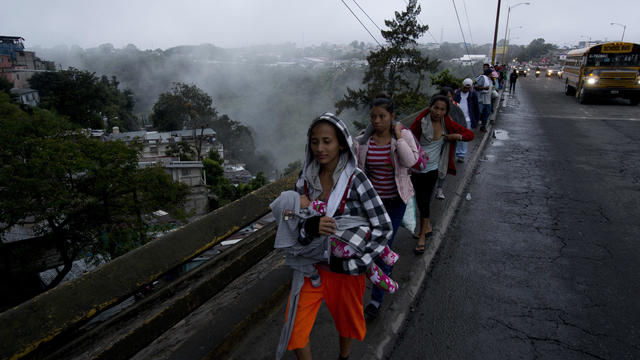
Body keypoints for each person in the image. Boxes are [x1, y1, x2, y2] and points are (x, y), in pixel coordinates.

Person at [282, 113, 393, 360]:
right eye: (314, 142)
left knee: (347, 323)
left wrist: (356, 263)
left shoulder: (356, 179)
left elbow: (383, 226)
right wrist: (310, 227)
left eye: (327, 141)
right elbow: (293, 226)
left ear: (341, 143)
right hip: (310, 268)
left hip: (345, 271)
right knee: (295, 328)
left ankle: (344, 357)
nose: (320, 148)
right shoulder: (306, 180)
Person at [354, 94, 419, 319]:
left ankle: (376, 299)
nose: (377, 121)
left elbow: (411, 162)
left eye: (382, 116)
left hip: (395, 203)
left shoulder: (404, 136)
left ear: (392, 116)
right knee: (368, 248)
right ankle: (383, 277)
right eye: (373, 117)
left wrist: (399, 137)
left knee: (383, 248)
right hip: (372, 206)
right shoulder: (364, 142)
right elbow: (354, 165)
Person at [408, 95, 474, 254]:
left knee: (424, 202)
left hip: (434, 169)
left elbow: (469, 135)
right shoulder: (421, 122)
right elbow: (408, 137)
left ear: (446, 111)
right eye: (435, 108)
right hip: (417, 169)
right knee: (420, 200)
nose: (438, 112)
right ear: (430, 107)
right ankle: (427, 226)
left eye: (442, 109)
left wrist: (456, 136)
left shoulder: (447, 123)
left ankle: (423, 235)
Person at [433, 87, 466, 200]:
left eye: (450, 97)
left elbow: (463, 127)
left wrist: (455, 135)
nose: (448, 99)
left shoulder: (456, 110)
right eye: (446, 97)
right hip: (434, 143)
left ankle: (439, 188)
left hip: (449, 144)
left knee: (444, 166)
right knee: (433, 165)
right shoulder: (434, 110)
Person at [454, 78, 480, 162]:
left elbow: (476, 107)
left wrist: (476, 120)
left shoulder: (473, 94)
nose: (466, 89)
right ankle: (456, 152)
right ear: (462, 85)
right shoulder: (457, 93)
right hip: (457, 118)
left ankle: (461, 155)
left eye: (468, 88)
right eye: (465, 87)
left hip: (468, 119)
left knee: (464, 137)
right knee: (456, 136)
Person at [475, 68, 494, 132]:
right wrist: (484, 88)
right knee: (479, 113)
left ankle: (483, 126)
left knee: (486, 114)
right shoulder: (482, 78)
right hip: (481, 100)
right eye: (491, 73)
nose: (492, 74)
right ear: (489, 73)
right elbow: (476, 87)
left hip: (488, 101)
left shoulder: (490, 80)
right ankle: (474, 125)